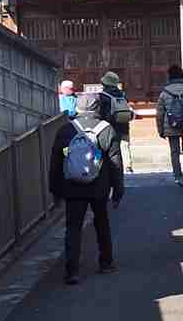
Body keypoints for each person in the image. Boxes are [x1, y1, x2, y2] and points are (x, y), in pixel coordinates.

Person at [48, 91, 124, 285]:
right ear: (97, 108)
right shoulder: (106, 129)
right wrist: (118, 190)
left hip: (73, 186)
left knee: (73, 227)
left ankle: (72, 270)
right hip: (99, 186)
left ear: (78, 107)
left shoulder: (66, 130)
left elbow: (56, 162)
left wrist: (55, 189)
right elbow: (115, 163)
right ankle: (106, 262)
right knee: (102, 223)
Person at [156, 64, 183, 183]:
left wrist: (161, 130)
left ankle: (177, 176)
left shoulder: (164, 93)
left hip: (171, 125)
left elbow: (160, 114)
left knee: (174, 151)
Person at [99, 71, 134, 173]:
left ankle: (115, 168)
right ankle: (128, 166)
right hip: (124, 124)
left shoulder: (103, 95)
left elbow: (102, 112)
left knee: (113, 148)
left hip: (110, 125)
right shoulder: (122, 94)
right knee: (125, 146)